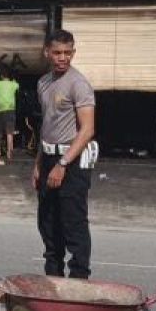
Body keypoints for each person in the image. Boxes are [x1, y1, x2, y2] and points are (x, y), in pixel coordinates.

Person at [33, 29, 96, 280]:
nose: (62, 58)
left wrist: (62, 164)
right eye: (57, 52)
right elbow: (46, 125)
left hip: (72, 159)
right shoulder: (43, 83)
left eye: (67, 53)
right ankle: (54, 281)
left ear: (74, 53)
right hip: (49, 157)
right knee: (48, 222)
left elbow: (88, 129)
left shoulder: (78, 84)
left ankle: (79, 282)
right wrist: (39, 164)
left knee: (73, 222)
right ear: (47, 52)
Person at [0, 70, 21, 161]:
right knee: (9, 133)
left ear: (2, 76)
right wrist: (14, 79)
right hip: (10, 111)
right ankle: (9, 153)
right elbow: (17, 86)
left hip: (0, 110)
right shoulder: (13, 84)